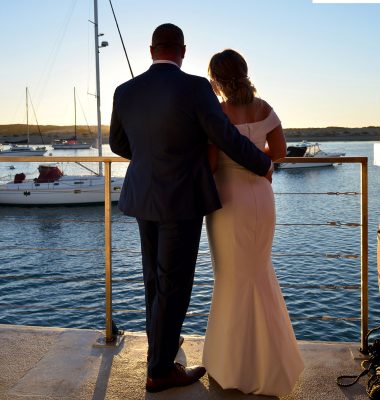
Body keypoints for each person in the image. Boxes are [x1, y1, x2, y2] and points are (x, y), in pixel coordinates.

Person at [109, 24, 273, 393]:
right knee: (176, 283)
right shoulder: (196, 87)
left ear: (152, 50)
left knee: (153, 278)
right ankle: (161, 369)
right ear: (182, 51)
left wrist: (153, 158)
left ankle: (162, 347)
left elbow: (118, 143)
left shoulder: (125, 91)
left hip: (143, 196)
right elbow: (224, 136)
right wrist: (262, 164)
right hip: (182, 198)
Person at [203, 49, 304, 396]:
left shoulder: (217, 113)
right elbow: (278, 153)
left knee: (230, 279)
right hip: (261, 198)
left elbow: (212, 164)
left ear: (216, 79)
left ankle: (233, 365)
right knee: (260, 272)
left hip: (228, 201)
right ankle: (272, 363)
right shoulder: (264, 108)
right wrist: (254, 158)